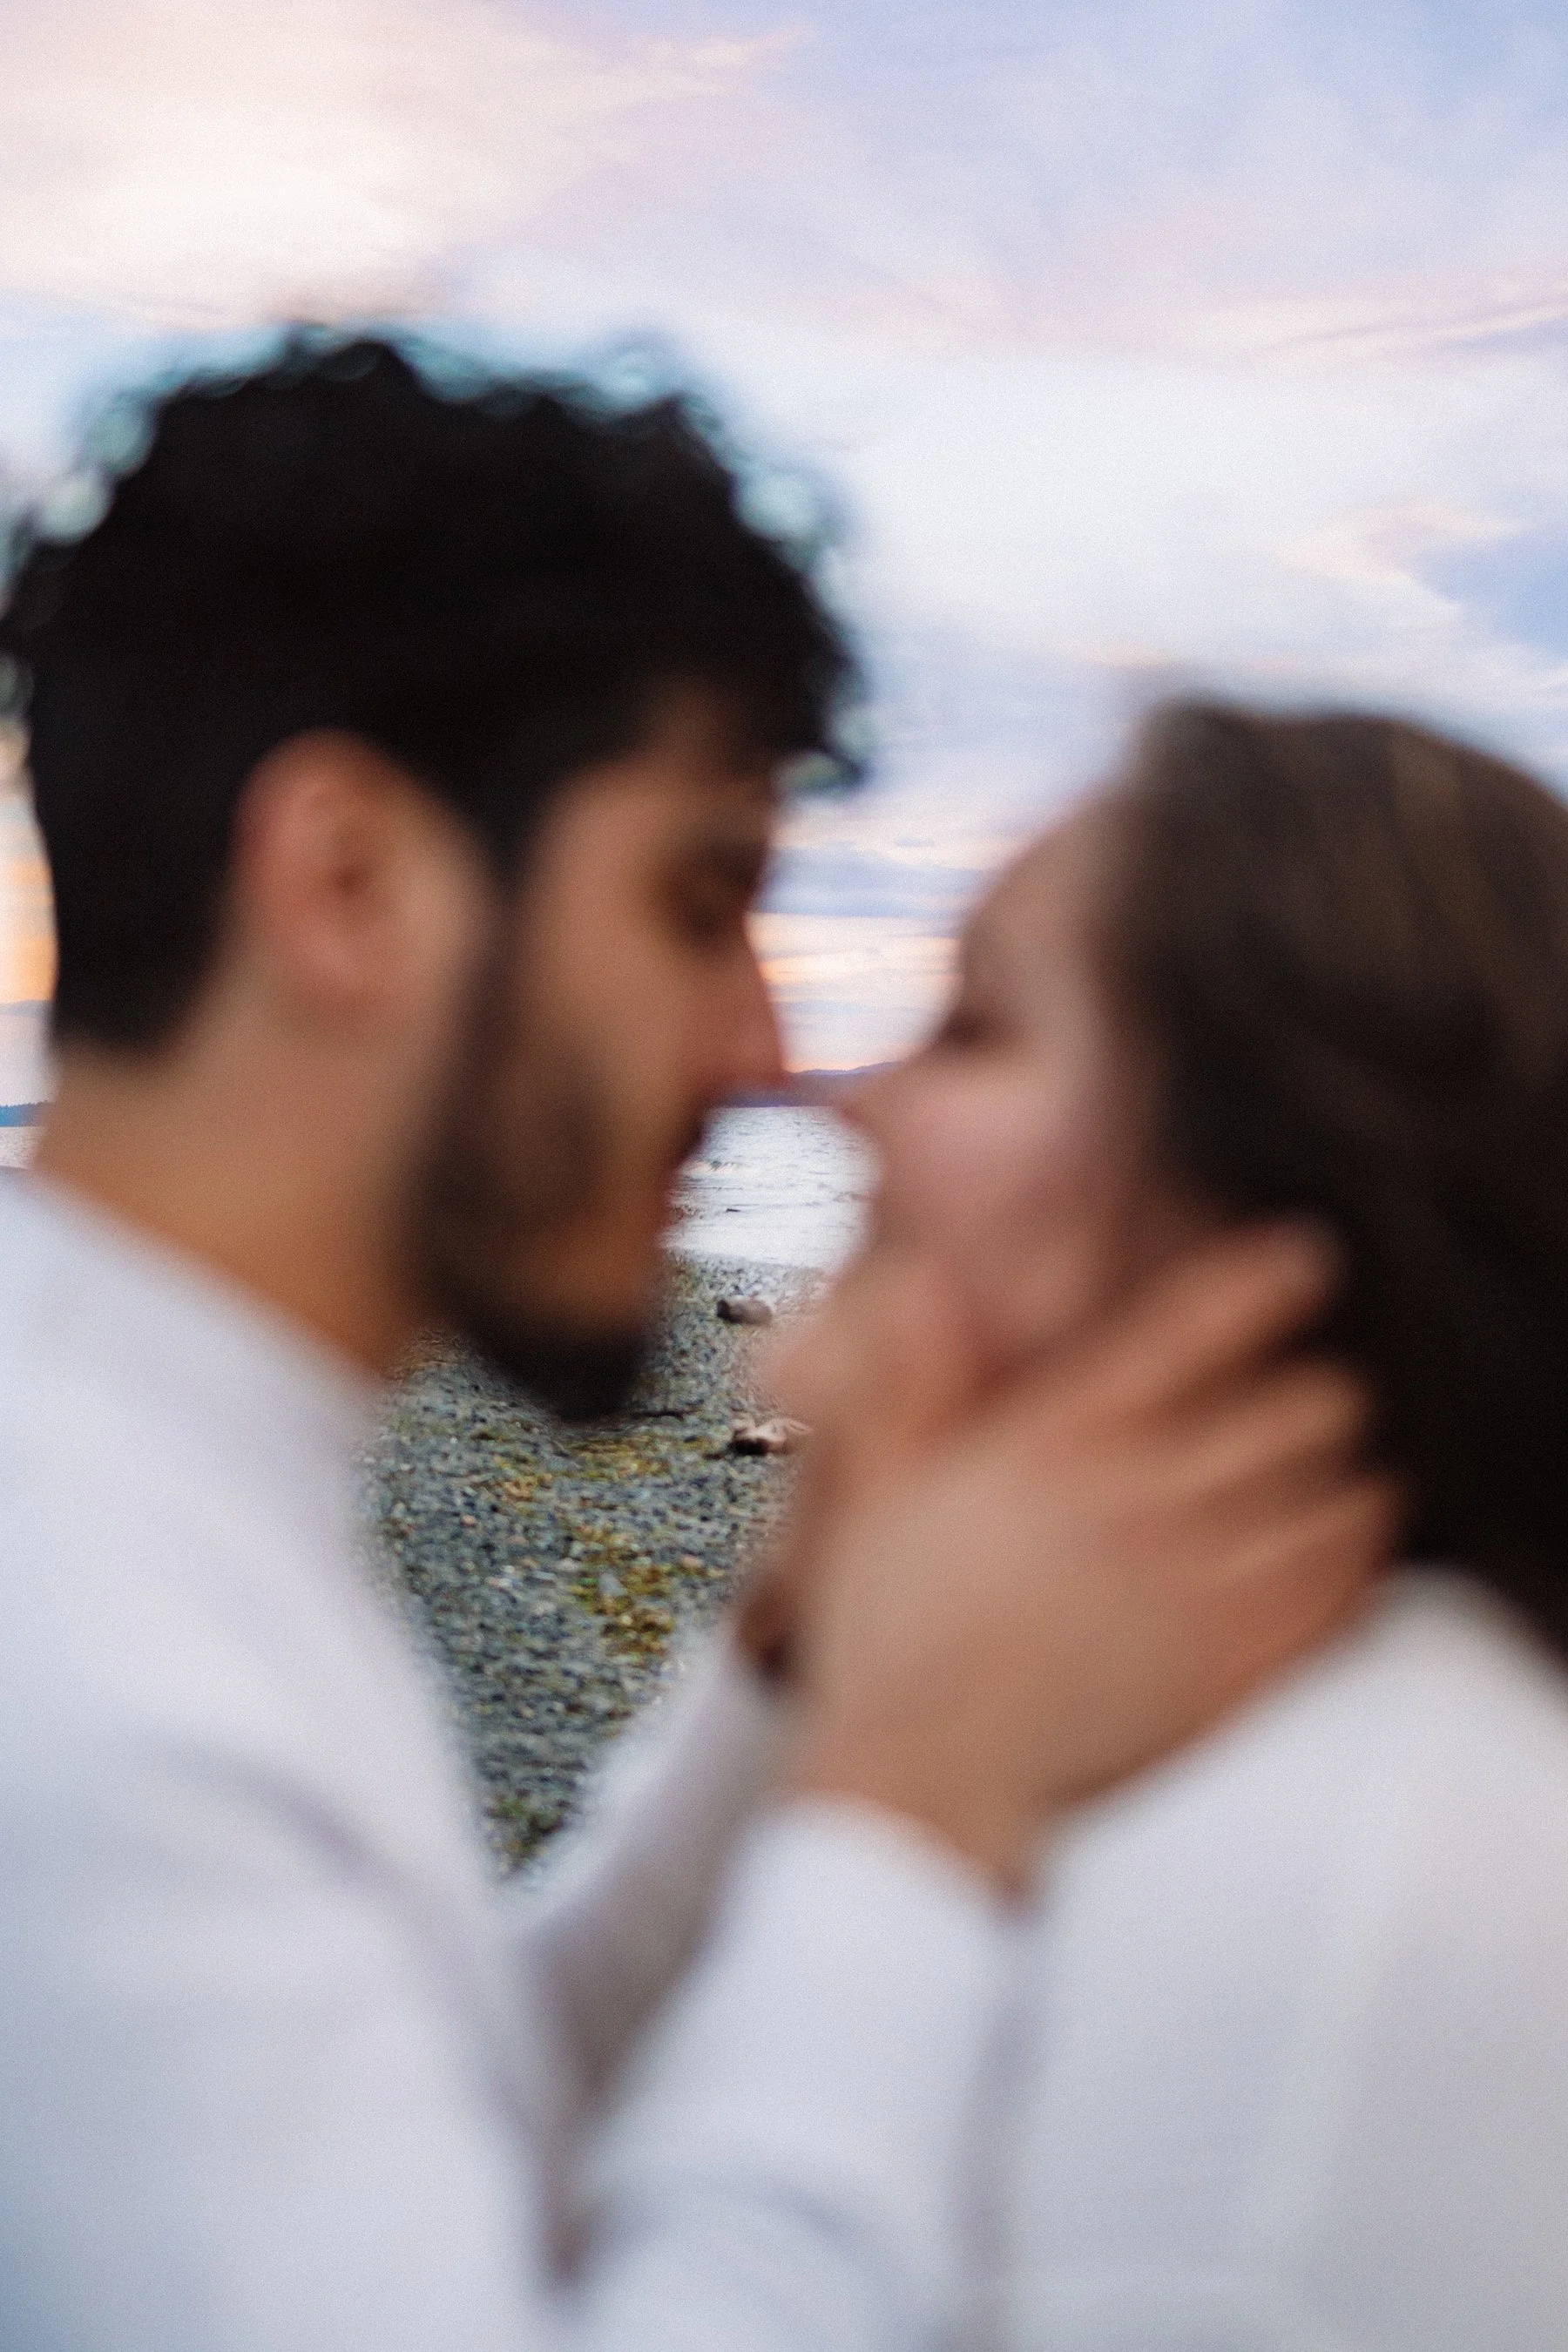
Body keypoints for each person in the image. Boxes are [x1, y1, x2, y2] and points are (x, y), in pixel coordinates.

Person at [0, 343, 1388, 2352]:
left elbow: (422, 2140)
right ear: (346, 882)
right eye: (696, 897)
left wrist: (795, 1664)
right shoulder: (94, 1664)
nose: (766, 1055)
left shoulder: (141, 1484)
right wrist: (925, 1786)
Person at [809, 700, 1568, 2349]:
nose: (849, 1104)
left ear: (1262, 1199)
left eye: (976, 1028)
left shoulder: (1299, 1928)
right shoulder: (1213, 1743)